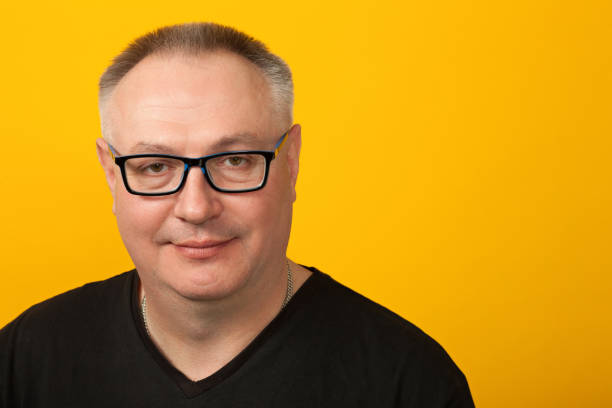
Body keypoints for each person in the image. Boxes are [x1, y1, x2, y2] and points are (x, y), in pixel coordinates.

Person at [0, 22, 475, 407]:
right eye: (155, 166)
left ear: (290, 163)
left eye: (235, 161)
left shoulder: (410, 381)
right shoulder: (25, 359)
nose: (195, 207)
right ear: (111, 174)